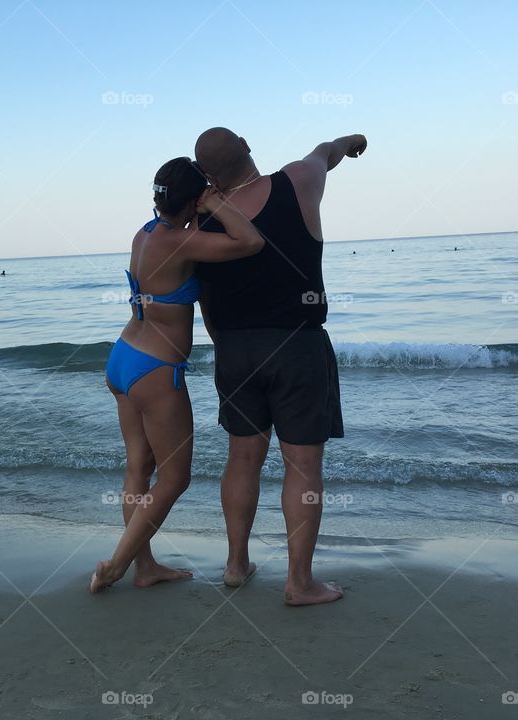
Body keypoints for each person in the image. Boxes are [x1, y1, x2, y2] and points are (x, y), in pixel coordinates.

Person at [193, 128, 367, 605]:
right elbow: (325, 152)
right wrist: (352, 141)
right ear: (247, 145)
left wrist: (229, 344)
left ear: (207, 175)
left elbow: (204, 304)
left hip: (233, 350)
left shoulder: (201, 224)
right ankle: (299, 582)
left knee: (242, 458)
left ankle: (235, 565)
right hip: (297, 346)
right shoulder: (296, 182)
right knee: (304, 466)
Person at [90, 157, 264, 592]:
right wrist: (217, 204)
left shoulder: (145, 234)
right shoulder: (182, 243)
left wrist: (197, 203)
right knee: (174, 478)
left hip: (124, 355)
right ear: (192, 200)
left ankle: (143, 567)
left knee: (138, 467)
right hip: (155, 370)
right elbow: (251, 240)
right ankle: (116, 565)